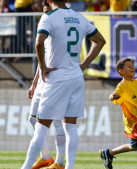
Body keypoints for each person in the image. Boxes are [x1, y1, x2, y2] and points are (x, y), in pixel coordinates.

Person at [21, 0, 106, 168]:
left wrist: (44, 67)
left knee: (41, 127)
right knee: (71, 126)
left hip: (57, 77)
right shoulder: (79, 17)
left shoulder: (49, 17)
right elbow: (100, 41)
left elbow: (39, 43)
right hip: (76, 76)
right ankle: (68, 166)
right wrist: (84, 65)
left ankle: (26, 167)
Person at [27, 1, 66, 169]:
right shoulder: (45, 31)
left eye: (47, 12)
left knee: (57, 121)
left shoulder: (60, 31)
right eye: (44, 13)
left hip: (56, 80)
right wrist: (34, 83)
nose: (45, 16)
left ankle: (60, 162)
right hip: (42, 81)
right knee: (32, 118)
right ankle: (46, 157)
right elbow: (41, 61)